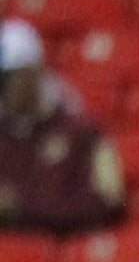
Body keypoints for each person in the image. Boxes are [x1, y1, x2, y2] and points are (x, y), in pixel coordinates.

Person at [0, 19, 119, 233]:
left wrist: (24, 209)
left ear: (33, 72)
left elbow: (106, 202)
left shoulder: (80, 131)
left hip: (65, 253)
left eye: (6, 79)